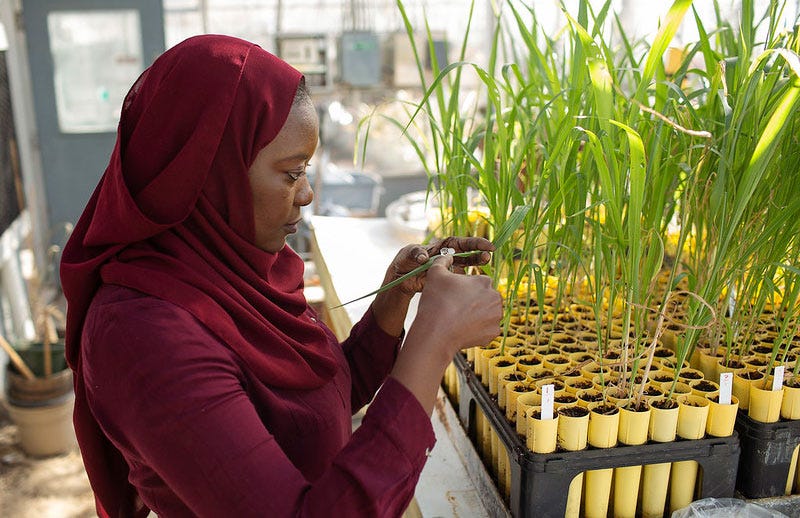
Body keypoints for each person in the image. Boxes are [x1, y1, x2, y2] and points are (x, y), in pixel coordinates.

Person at [60, 34, 502, 518]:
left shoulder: (238, 276)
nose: (308, 194)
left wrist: (394, 302)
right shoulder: (143, 336)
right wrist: (432, 341)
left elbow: (309, 411)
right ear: (206, 172)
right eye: (292, 173)